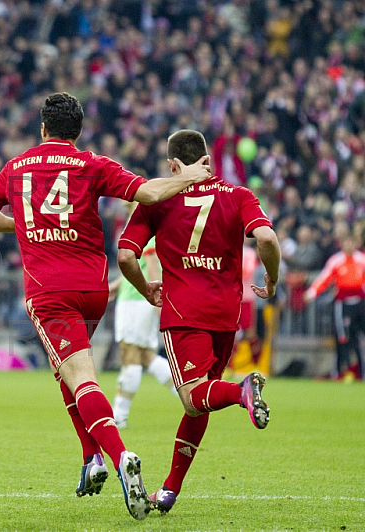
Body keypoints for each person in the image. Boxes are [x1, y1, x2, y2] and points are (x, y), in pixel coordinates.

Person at [0, 93, 212, 520]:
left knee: (80, 377)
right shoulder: (92, 164)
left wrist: (21, 224)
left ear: (43, 128)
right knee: (68, 368)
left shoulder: (16, 167)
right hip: (93, 289)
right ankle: (90, 457)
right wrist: (189, 176)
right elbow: (148, 192)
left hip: (50, 291)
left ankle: (117, 456)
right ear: (78, 132)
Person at [117, 129, 282, 514]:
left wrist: (145, 288)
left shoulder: (157, 199)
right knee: (200, 402)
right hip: (226, 314)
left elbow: (126, 256)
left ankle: (242, 391)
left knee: (194, 397)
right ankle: (169, 490)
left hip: (184, 313)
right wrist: (272, 280)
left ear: (173, 165)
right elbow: (267, 239)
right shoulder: (239, 195)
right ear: (206, 160)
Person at [109, 235, 177, 429]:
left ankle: (119, 416)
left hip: (136, 301)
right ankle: (190, 396)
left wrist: (159, 301)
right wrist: (116, 286)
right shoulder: (148, 229)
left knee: (129, 354)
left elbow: (152, 263)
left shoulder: (145, 228)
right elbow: (137, 267)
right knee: (147, 357)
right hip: (138, 298)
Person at [304, 233, 365, 380]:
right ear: (342, 244)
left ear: (356, 243)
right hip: (342, 305)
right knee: (342, 338)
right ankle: (339, 372)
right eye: (346, 242)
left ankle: (360, 373)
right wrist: (312, 292)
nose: (349, 245)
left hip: (360, 304)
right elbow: (324, 278)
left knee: (358, 338)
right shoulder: (336, 261)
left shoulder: (362, 260)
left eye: (351, 242)